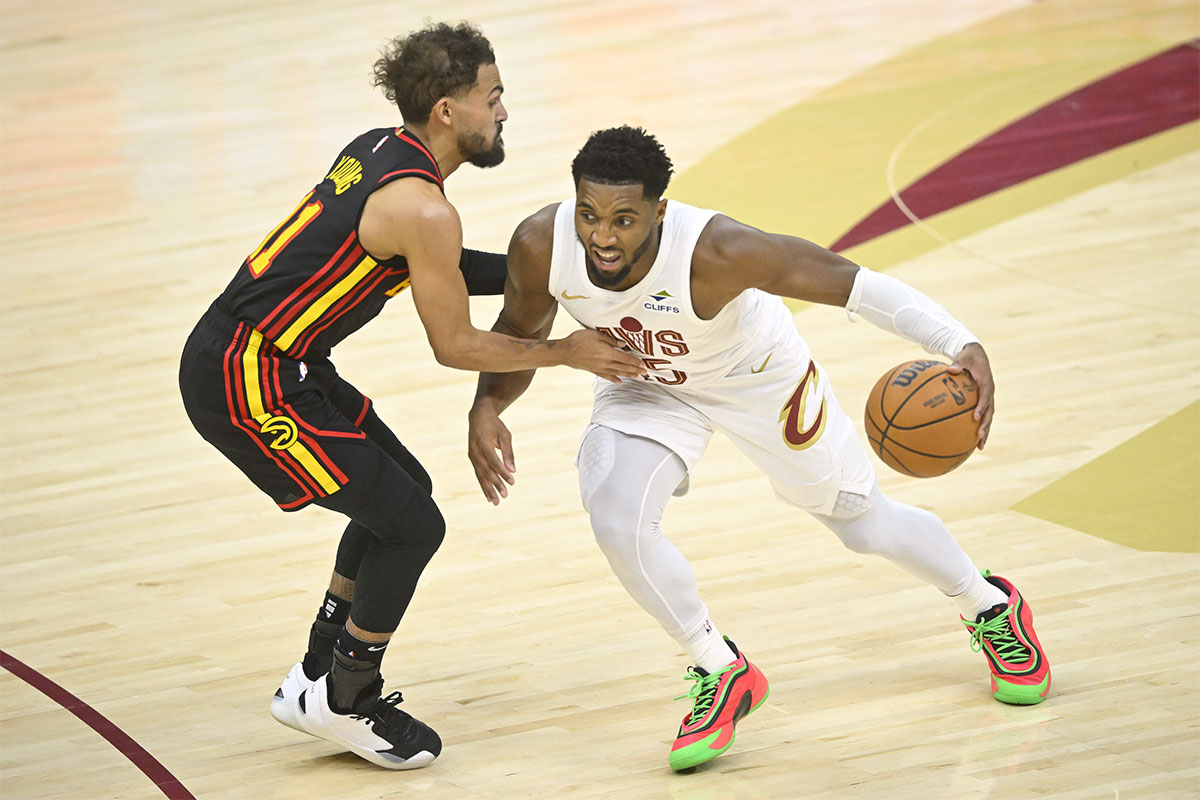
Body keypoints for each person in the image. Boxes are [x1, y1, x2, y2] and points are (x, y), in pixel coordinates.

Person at [467, 126, 1051, 772]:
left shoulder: (720, 251)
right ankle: (722, 670)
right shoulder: (542, 245)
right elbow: (518, 332)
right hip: (648, 382)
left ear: (660, 212)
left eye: (625, 220)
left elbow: (853, 284)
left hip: (756, 378)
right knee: (616, 517)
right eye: (589, 214)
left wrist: (959, 343)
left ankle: (989, 604)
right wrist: (487, 404)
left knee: (863, 525)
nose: (603, 236)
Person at [178, 26, 645, 770]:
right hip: (245, 378)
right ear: (447, 112)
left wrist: (557, 272)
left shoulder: (382, 149)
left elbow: (447, 266)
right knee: (413, 526)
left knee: (402, 497)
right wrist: (564, 352)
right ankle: (347, 697)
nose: (503, 112)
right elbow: (454, 344)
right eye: (492, 98)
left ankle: (314, 674)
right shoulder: (424, 209)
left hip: (281, 359)